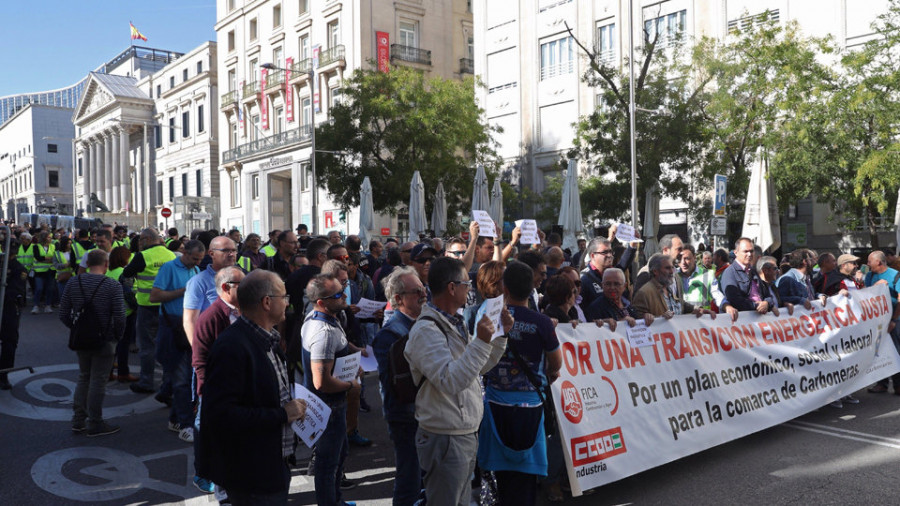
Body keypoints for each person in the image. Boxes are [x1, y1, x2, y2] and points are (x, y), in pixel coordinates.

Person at [404, 256, 511, 506]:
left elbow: (477, 367)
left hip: (461, 432)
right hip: (445, 435)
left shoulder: (455, 321)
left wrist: (499, 338)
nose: (470, 289)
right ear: (452, 288)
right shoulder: (426, 331)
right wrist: (483, 342)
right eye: (466, 284)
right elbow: (451, 381)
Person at [198, 270, 307, 504]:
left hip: (273, 464)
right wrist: (281, 414)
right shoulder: (233, 347)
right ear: (267, 302)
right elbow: (221, 414)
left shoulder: (268, 338)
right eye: (284, 297)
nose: (288, 303)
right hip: (252, 473)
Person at [478, 261, 560, 505]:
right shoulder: (542, 322)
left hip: (494, 406)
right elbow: (556, 363)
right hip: (530, 409)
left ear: (504, 287)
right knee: (525, 481)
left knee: (499, 479)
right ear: (534, 285)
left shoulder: (488, 319)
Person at [300, 273, 361, 506]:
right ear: (321, 302)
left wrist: (355, 352)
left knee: (339, 456)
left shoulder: (326, 319)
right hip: (328, 407)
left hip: (331, 405)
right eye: (337, 294)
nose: (344, 295)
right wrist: (350, 384)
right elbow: (321, 381)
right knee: (328, 465)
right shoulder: (323, 333)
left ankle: (338, 501)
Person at [372, 266, 426, 506]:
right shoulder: (390, 334)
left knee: (422, 478)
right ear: (398, 299)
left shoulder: (421, 324)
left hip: (423, 414)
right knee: (409, 479)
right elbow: (396, 385)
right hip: (406, 417)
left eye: (423, 290)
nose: (423, 296)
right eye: (417, 292)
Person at [59, 249, 126, 436]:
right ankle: (95, 422)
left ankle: (78, 420)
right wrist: (117, 336)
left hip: (81, 338)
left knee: (83, 376)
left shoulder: (74, 282)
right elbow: (120, 317)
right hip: (105, 339)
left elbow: (63, 313)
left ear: (87, 264)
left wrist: (76, 328)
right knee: (98, 380)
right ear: (106, 264)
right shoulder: (113, 285)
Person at [191, 265, 244, 494]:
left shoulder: (243, 311)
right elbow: (199, 361)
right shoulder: (211, 317)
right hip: (215, 391)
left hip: (238, 388)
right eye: (242, 285)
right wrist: (210, 392)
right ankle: (204, 475)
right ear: (225, 288)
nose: (248, 288)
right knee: (206, 432)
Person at [150, 240, 206, 444]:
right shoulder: (169, 268)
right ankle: (185, 424)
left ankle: (176, 418)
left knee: (186, 378)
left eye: (199, 259)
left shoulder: (196, 269)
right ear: (184, 252)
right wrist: (184, 291)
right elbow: (154, 296)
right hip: (173, 328)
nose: (196, 262)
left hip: (188, 326)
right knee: (182, 380)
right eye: (194, 258)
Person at [122, 228, 176, 394]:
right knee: (167, 345)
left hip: (147, 306)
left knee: (147, 346)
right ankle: (169, 383)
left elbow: (126, 274)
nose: (139, 244)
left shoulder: (143, 256)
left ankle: (146, 382)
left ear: (145, 239)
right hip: (168, 306)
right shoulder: (171, 255)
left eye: (140, 241)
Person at [183, 236, 238, 347]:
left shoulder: (242, 278)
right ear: (211, 254)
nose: (231, 254)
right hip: (214, 346)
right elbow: (190, 320)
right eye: (226, 250)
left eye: (233, 250)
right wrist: (199, 354)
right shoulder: (198, 282)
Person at [633, 254, 715, 320]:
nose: (672, 272)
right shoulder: (644, 293)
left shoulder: (669, 289)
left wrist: (697, 309)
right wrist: (658, 319)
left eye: (672, 267)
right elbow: (637, 319)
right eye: (667, 268)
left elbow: (681, 305)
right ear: (655, 271)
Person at [864, 251, 900, 394]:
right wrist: (876, 286)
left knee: (896, 352)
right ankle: (882, 384)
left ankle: (898, 385)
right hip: (877, 322)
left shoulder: (896, 275)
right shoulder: (870, 276)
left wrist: (894, 320)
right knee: (879, 352)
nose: (867, 264)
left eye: (869, 261)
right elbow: (865, 295)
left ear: (879, 262)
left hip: (894, 321)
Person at [718, 238, 779, 321]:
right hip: (743, 322)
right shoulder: (729, 272)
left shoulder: (753, 271)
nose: (749, 254)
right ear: (736, 252)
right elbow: (734, 299)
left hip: (759, 321)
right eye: (745, 251)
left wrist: (767, 303)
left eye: (751, 251)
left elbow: (766, 294)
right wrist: (756, 306)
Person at [108, 246, 138, 382]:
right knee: (123, 344)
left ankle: (108, 372)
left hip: (109, 313)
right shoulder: (125, 273)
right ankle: (123, 373)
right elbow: (129, 294)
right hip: (126, 312)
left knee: (111, 344)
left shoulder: (108, 272)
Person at [0, 244, 27, 390]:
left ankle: (3, 375)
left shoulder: (18, 268)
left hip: (8, 308)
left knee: (9, 342)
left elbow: (16, 290)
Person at [679, 245, 713, 310]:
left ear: (694, 257)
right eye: (680, 259)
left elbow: (717, 296)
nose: (683, 262)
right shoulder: (673, 276)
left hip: (702, 318)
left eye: (687, 258)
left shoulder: (707, 275)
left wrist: (726, 306)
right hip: (680, 319)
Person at [30, 231, 57, 314]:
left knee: (50, 289)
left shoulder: (53, 246)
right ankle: (36, 306)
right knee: (39, 288)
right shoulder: (36, 247)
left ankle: (48, 306)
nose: (50, 239)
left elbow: (55, 257)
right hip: (39, 272)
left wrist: (46, 259)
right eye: (49, 237)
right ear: (44, 238)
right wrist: (49, 258)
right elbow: (38, 257)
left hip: (50, 271)